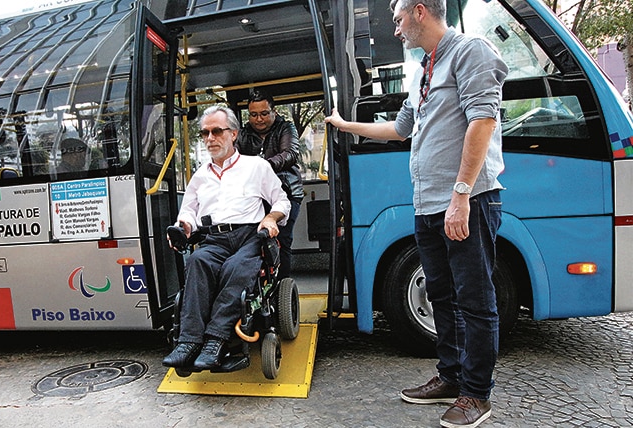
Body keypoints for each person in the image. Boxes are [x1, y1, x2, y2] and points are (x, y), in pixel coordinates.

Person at [325, 0, 508, 426]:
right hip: (428, 206)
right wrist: (347, 126)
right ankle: (451, 375)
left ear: (420, 11)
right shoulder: (422, 70)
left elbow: (483, 120)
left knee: (475, 300)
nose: (395, 29)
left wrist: (461, 194)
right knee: (440, 296)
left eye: (397, 19)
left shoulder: (469, 52)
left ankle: (477, 394)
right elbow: (401, 129)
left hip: (467, 200)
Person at [162, 105, 290, 370]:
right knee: (197, 261)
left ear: (233, 134)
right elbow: (189, 212)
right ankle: (188, 341)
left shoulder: (257, 166)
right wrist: (183, 226)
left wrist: (271, 218)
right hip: (215, 238)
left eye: (217, 131)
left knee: (236, 267)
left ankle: (215, 340)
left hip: (250, 235)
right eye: (205, 133)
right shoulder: (199, 176)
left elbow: (281, 201)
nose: (210, 138)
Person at [236, 90, 304, 279]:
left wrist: (262, 166)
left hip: (287, 191)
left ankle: (282, 286)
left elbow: (289, 154)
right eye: (253, 114)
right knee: (251, 240)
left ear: (274, 112)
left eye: (264, 113)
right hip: (255, 196)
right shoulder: (243, 134)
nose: (258, 119)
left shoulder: (286, 128)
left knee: (281, 239)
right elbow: (233, 158)